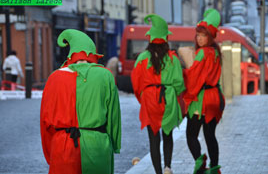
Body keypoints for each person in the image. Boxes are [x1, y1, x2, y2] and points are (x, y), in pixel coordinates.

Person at [40, 29, 121, 174]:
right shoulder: (105, 75)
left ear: (71, 55)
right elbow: (114, 116)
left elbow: (45, 120)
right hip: (97, 144)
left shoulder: (54, 78)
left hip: (63, 145)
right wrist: (113, 144)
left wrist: (51, 150)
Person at [131, 14, 185, 174]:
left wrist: (144, 97)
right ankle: (168, 166)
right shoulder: (172, 59)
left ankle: (158, 172)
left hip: (149, 99)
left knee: (153, 139)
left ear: (150, 39)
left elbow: (136, 83)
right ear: (166, 38)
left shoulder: (142, 58)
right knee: (167, 135)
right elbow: (179, 84)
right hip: (167, 98)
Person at [182, 9, 225, 174]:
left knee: (191, 134)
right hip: (215, 97)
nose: (199, 38)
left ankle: (200, 166)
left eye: (203, 35)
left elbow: (195, 78)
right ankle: (214, 168)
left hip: (202, 100)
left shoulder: (201, 54)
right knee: (210, 136)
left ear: (210, 36)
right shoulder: (215, 52)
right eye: (198, 35)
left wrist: (184, 72)